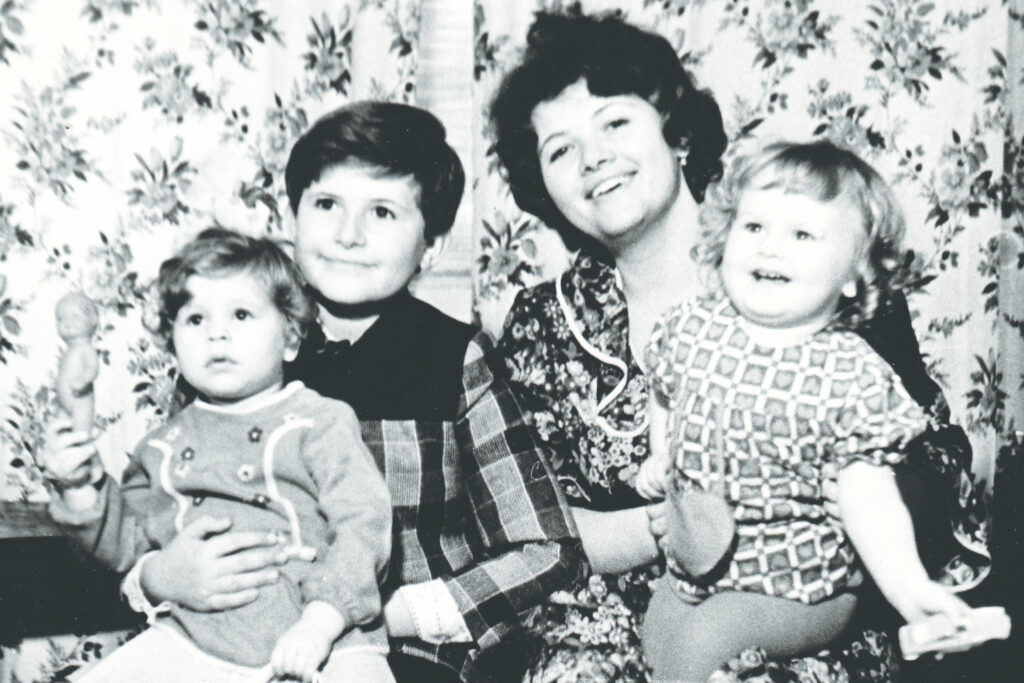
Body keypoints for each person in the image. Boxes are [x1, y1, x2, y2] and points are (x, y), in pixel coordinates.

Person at [490, 9, 987, 682]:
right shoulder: (542, 324)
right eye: (559, 150)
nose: (593, 159)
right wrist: (671, 524)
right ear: (546, 191)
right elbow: (533, 524)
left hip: (800, 609)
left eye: (614, 123)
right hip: (607, 621)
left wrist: (872, 498)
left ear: (678, 135)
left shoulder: (803, 264)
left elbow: (934, 457)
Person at [116, 102, 585, 683]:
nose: (348, 234)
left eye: (383, 211)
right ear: (293, 218)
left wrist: (382, 613)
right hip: (231, 646)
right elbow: (156, 511)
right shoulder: (234, 347)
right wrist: (163, 574)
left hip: (407, 656)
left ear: (432, 247)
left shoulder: (453, 357)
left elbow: (547, 552)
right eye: (327, 204)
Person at [634, 140, 974, 681]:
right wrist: (662, 452)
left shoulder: (849, 373)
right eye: (754, 228)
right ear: (724, 240)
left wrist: (913, 590)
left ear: (853, 274)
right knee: (656, 640)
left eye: (802, 235)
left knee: (699, 646)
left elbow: (869, 497)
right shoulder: (692, 327)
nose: (771, 248)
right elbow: (663, 387)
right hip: (693, 566)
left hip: (798, 585)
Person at [39, 227, 394, 683]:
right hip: (195, 640)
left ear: (289, 338)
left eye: (241, 314)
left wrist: (320, 623)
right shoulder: (160, 447)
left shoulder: (319, 422)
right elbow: (127, 545)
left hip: (328, 638)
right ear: (173, 341)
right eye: (195, 319)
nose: (217, 334)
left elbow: (364, 525)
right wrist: (77, 485)